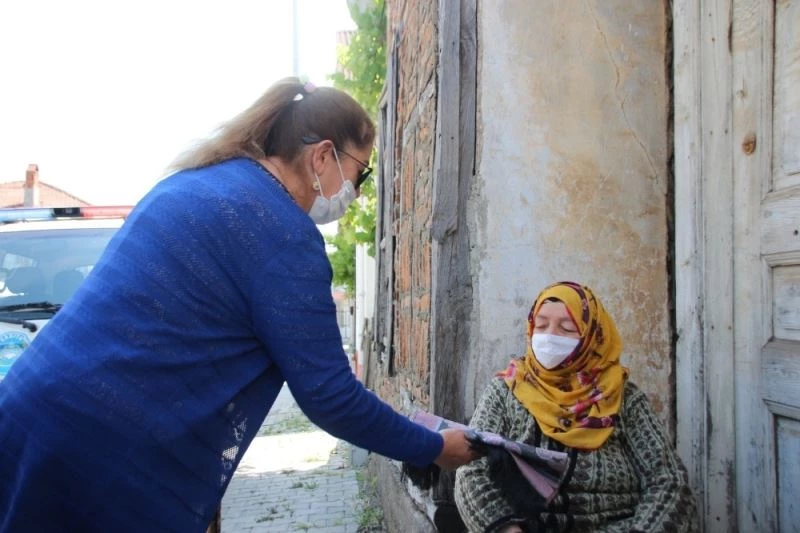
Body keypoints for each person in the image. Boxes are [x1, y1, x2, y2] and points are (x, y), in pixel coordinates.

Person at [0, 77, 478, 533]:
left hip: (25, 410)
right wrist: (432, 446)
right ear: (323, 156)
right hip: (96, 454)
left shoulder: (191, 183)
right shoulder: (285, 236)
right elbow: (331, 396)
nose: (355, 192)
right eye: (361, 172)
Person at [454, 281, 699, 532]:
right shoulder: (506, 390)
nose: (550, 336)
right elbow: (472, 470)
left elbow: (669, 482)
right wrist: (507, 530)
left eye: (567, 328)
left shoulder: (622, 398)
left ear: (591, 335)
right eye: (542, 326)